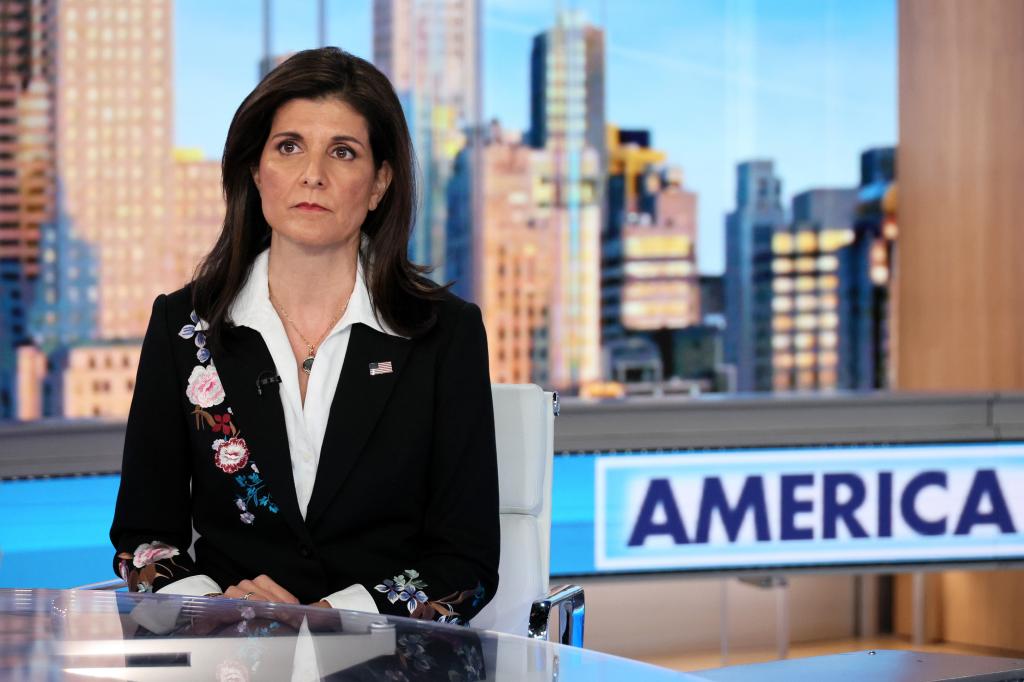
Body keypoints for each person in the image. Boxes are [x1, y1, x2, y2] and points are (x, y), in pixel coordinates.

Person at [109, 47, 499, 625]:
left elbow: (465, 562)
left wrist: (324, 618)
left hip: (387, 658)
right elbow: (144, 538)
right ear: (256, 170)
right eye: (289, 147)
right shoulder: (185, 327)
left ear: (379, 184)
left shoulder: (444, 334)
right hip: (230, 656)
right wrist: (215, 607)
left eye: (343, 152)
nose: (312, 174)